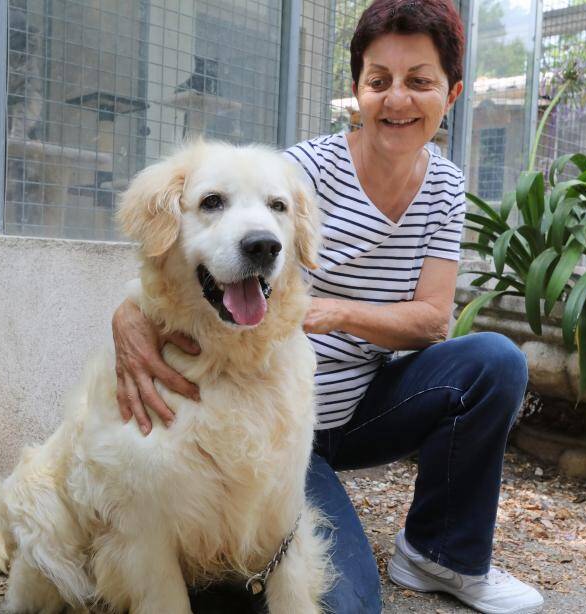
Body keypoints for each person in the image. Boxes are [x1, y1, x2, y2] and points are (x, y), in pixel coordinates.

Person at [110, 1, 545, 612]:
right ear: (356, 91)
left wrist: (334, 313)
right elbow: (191, 247)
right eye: (379, 81)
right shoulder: (296, 173)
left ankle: (440, 554)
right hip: (285, 426)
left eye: (419, 81)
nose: (397, 99)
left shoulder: (446, 186)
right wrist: (125, 315)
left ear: (451, 93)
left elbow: (432, 321)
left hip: (368, 405)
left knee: (495, 362)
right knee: (348, 607)